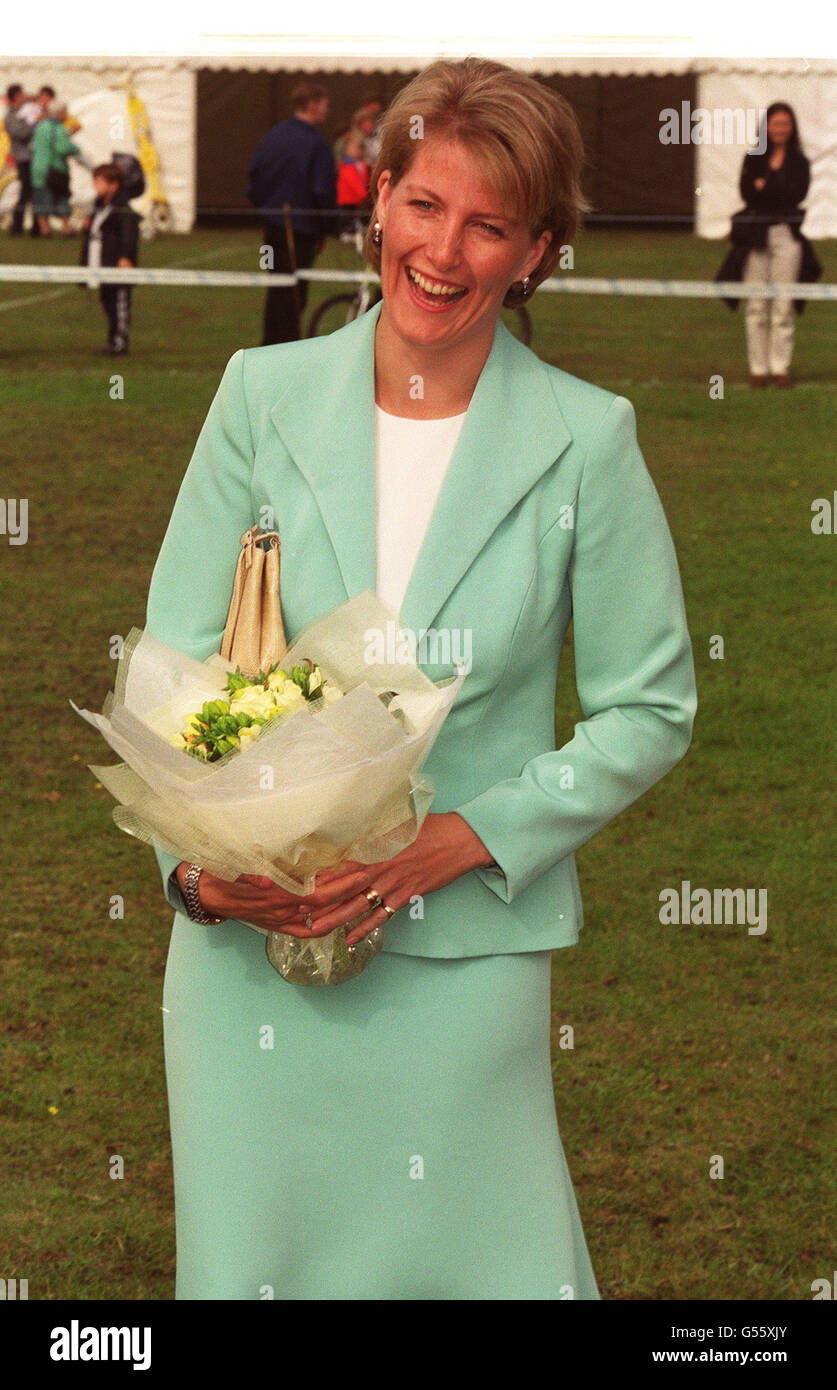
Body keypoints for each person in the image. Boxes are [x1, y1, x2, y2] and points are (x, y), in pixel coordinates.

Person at [144, 57, 697, 1300]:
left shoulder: (587, 441)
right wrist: (198, 875)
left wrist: (457, 840)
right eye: (425, 205)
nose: (445, 252)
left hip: (465, 970)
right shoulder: (257, 395)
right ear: (378, 200)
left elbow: (651, 704)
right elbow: (169, 663)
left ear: (539, 252)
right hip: (247, 979)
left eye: (491, 224)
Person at [716, 102, 820, 388]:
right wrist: (770, 188)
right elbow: (748, 194)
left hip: (786, 236)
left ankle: (780, 367)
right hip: (755, 238)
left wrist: (767, 187)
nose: (780, 129)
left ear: (792, 127)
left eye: (785, 124)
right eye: (776, 123)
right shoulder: (753, 158)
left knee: (783, 305)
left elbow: (795, 195)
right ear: (766, 126)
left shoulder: (800, 162)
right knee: (756, 305)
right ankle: (759, 369)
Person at [246, 80, 337, 345]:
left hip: (273, 228)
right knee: (294, 293)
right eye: (324, 105)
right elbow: (322, 191)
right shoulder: (316, 145)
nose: (327, 111)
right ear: (312, 105)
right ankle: (285, 347)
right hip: (300, 231)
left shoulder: (273, 135)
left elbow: (253, 179)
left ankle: (270, 344)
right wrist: (327, 227)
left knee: (277, 289)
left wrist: (267, 209)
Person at [80, 162, 140, 355]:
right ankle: (112, 340)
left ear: (113, 185)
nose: (95, 186)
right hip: (100, 263)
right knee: (107, 302)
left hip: (117, 265)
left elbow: (128, 234)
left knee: (119, 303)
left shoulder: (123, 209)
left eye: (99, 182)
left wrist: (125, 257)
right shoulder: (99, 207)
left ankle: (120, 343)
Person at [30, 99, 88, 236]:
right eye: (65, 112)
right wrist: (76, 150)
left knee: (41, 198)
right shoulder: (59, 129)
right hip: (55, 169)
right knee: (62, 197)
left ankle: (44, 229)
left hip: (38, 168)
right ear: (59, 113)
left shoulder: (40, 126)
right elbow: (64, 148)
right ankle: (66, 228)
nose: (67, 114)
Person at [5, 84, 40, 236]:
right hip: (23, 159)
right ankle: (17, 226)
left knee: (35, 192)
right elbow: (20, 133)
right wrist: (34, 124)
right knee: (25, 193)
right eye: (21, 94)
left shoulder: (28, 110)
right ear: (15, 96)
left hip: (34, 157)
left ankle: (36, 227)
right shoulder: (10, 116)